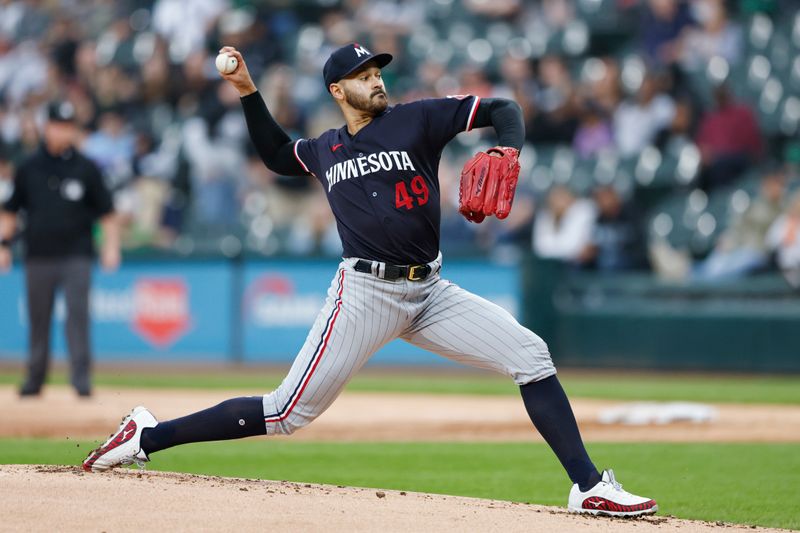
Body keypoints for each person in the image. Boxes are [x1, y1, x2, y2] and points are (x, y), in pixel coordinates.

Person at [82, 43, 657, 517]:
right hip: (365, 293)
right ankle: (147, 435)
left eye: (377, 70)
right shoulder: (327, 148)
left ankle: (588, 486)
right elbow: (278, 155)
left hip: (431, 292)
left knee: (531, 354)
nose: (375, 79)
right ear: (338, 91)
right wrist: (247, 91)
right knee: (286, 413)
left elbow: (504, 107)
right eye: (362, 74)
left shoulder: (418, 118)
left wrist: (507, 146)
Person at [0, 101, 121, 397]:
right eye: (58, 125)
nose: (62, 132)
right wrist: (3, 244)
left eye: (68, 126)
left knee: (78, 317)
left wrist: (111, 246)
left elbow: (107, 211)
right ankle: (34, 378)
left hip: (76, 255)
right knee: (38, 318)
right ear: (46, 127)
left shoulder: (86, 167)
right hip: (38, 254)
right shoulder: (29, 166)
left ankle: (81, 379)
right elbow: (11, 210)